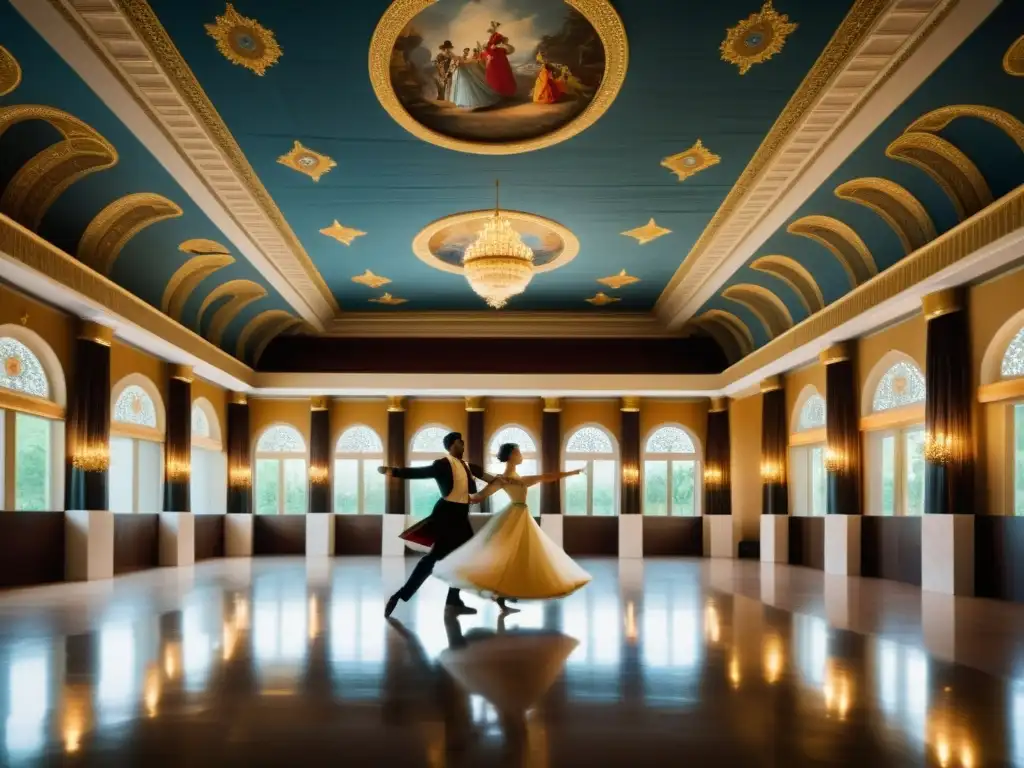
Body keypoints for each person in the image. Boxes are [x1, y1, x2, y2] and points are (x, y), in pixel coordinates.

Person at [432, 442, 592, 612]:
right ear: (510, 456)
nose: (521, 455)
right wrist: (455, 495)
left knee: (517, 558)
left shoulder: (519, 478)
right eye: (518, 452)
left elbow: (547, 476)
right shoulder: (502, 479)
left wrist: (575, 471)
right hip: (514, 518)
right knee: (505, 557)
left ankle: (506, 596)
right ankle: (499, 596)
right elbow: (479, 497)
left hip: (521, 516)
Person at [379, 431, 497, 617]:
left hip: (461, 517)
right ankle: (400, 595)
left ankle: (453, 600)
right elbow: (420, 472)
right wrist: (393, 471)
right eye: (460, 442)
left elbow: (491, 478)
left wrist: (508, 480)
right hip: (446, 515)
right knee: (431, 559)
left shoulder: (469, 467)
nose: (463, 445)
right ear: (450, 445)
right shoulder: (442, 464)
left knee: (464, 557)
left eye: (463, 442)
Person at [450, 46, 502, 110]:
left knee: (469, 87)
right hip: (461, 76)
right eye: (465, 51)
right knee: (462, 87)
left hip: (466, 75)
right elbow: (456, 64)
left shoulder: (468, 59)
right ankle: (462, 103)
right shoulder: (459, 58)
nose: (466, 53)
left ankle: (471, 103)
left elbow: (470, 62)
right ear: (463, 51)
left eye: (467, 52)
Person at [480, 21, 517, 97]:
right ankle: (495, 92)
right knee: (492, 72)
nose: (490, 29)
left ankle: (504, 92)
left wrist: (496, 46)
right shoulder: (490, 37)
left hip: (497, 55)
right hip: (491, 55)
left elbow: (502, 43)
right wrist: (487, 47)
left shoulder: (498, 36)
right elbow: (487, 46)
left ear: (494, 27)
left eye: (492, 27)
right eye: (491, 27)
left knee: (501, 72)